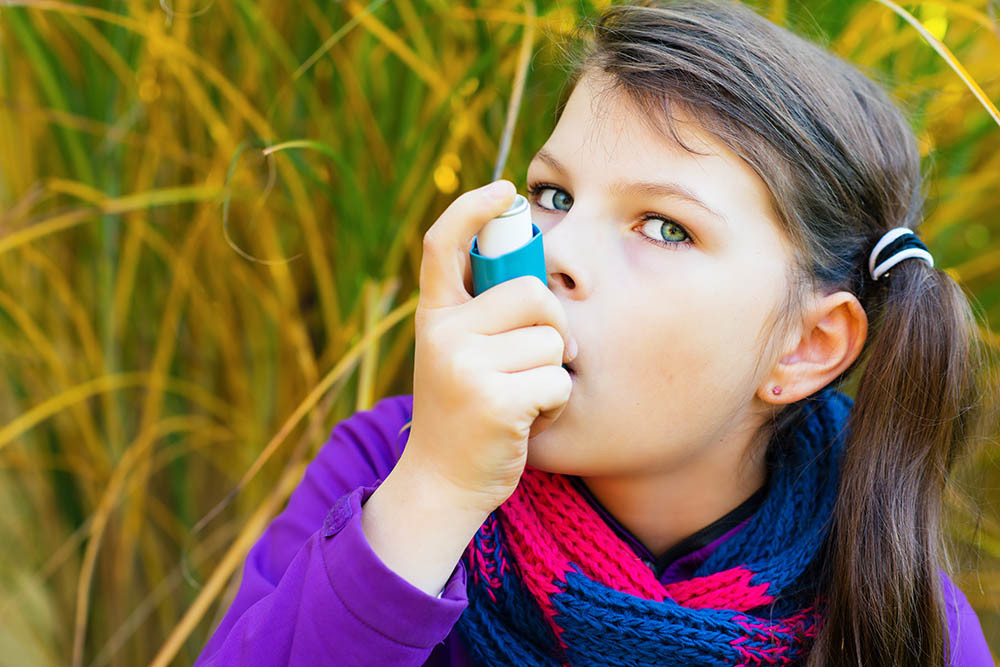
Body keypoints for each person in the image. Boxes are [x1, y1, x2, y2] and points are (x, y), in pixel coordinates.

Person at [194, 1, 997, 665]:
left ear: (807, 345)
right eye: (552, 195)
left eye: (665, 226)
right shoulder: (387, 468)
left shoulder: (887, 598)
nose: (559, 251)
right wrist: (435, 491)